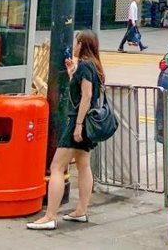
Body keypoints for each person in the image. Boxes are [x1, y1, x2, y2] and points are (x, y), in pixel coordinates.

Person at [27, 30, 104, 230]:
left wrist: (77, 125)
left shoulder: (86, 66)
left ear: (83, 45)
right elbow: (83, 92)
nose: (74, 46)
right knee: (83, 164)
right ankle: (81, 210)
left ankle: (50, 215)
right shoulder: (93, 67)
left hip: (78, 122)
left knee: (56, 167)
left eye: (76, 42)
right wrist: (72, 74)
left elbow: (86, 97)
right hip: (87, 123)